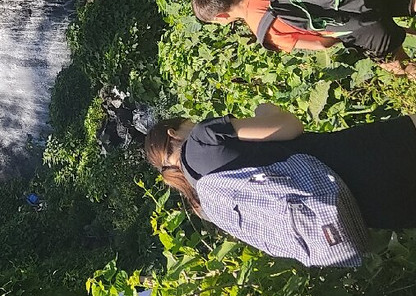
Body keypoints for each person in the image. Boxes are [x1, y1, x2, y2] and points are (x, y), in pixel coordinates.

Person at [145, 103, 416, 230]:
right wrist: (265, 111)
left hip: (354, 210)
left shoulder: (203, 200)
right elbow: (290, 127)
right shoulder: (203, 138)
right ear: (173, 133)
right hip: (358, 159)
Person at [191, 0, 416, 77]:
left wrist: (341, 30)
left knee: (402, 67)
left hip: (363, 28)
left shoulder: (265, 31)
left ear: (220, 17)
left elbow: (322, 44)